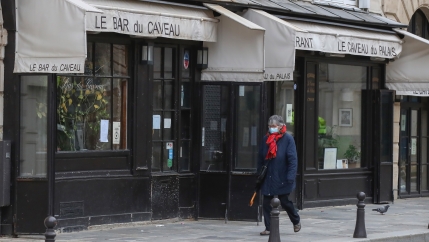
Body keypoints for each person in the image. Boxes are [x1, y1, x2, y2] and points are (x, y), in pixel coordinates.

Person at [258, 115, 301, 236]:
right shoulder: (266, 139)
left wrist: (290, 176)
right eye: (270, 126)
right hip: (268, 175)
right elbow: (260, 158)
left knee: (285, 201)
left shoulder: (288, 139)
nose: (271, 128)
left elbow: (293, 160)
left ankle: (296, 220)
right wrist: (259, 174)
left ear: (281, 126)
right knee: (266, 202)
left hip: (283, 176)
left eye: (274, 126)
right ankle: (269, 227)